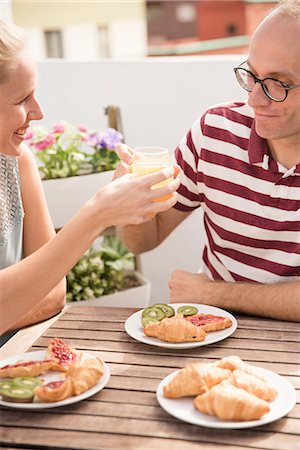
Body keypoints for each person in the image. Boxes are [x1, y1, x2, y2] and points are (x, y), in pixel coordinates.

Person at [116, 0, 300, 322]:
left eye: (276, 84)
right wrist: (131, 202)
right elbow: (144, 240)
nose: (254, 99)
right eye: (252, 76)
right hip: (212, 335)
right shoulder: (214, 130)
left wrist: (214, 294)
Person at [0, 20, 180, 338]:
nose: (39, 111)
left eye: (35, 93)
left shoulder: (17, 162)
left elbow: (54, 292)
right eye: (22, 99)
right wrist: (96, 214)